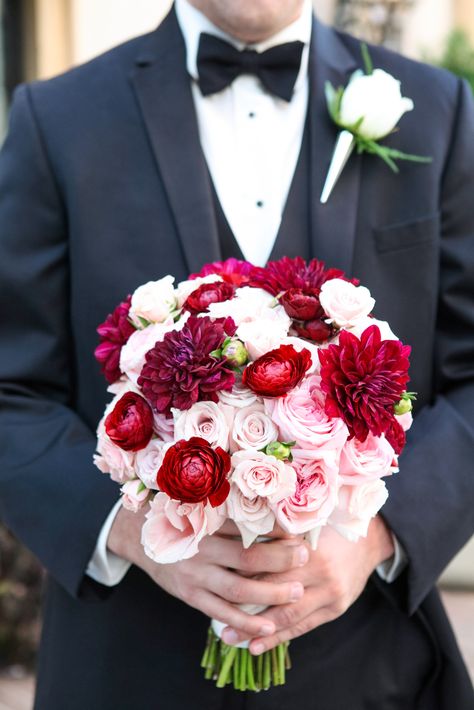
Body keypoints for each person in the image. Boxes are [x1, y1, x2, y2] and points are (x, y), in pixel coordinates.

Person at [0, 0, 473, 707]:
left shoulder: (439, 109)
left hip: (369, 670)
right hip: (127, 668)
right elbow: (11, 387)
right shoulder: (56, 119)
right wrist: (130, 531)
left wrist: (376, 535)